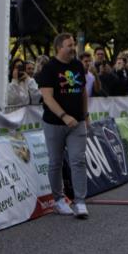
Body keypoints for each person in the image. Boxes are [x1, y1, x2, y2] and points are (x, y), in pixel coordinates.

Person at [38, 33, 90, 219]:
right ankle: (59, 200)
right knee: (55, 162)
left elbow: (83, 92)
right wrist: (63, 116)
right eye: (69, 45)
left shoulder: (77, 65)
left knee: (78, 160)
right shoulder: (49, 69)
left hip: (77, 123)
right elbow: (47, 98)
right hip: (54, 123)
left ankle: (80, 202)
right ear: (59, 47)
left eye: (73, 44)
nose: (73, 48)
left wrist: (85, 115)